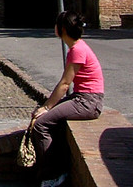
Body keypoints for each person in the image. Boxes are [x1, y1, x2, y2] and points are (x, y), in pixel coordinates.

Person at [30, 10, 104, 187]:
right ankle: (57, 169)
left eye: (56, 24)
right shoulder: (77, 47)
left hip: (88, 102)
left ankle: (51, 176)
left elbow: (64, 84)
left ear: (62, 29)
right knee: (52, 123)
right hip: (84, 98)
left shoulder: (77, 50)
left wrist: (46, 107)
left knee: (41, 124)